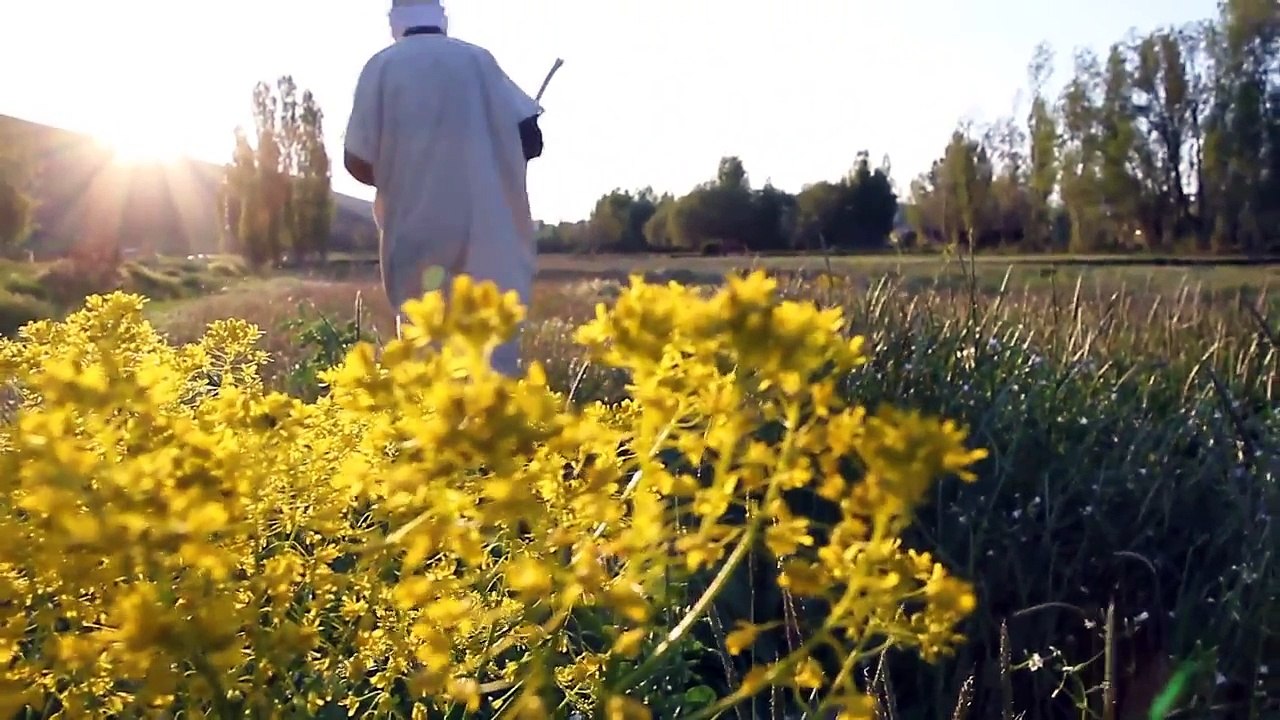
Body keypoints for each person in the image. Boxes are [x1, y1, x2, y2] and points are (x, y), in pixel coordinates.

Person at [343, 0, 544, 377]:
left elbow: (356, 160)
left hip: (418, 238)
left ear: (393, 22)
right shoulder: (480, 62)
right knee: (492, 361)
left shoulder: (382, 67)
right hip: (489, 237)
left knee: (427, 361)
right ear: (443, 18)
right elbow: (531, 141)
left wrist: (404, 176)